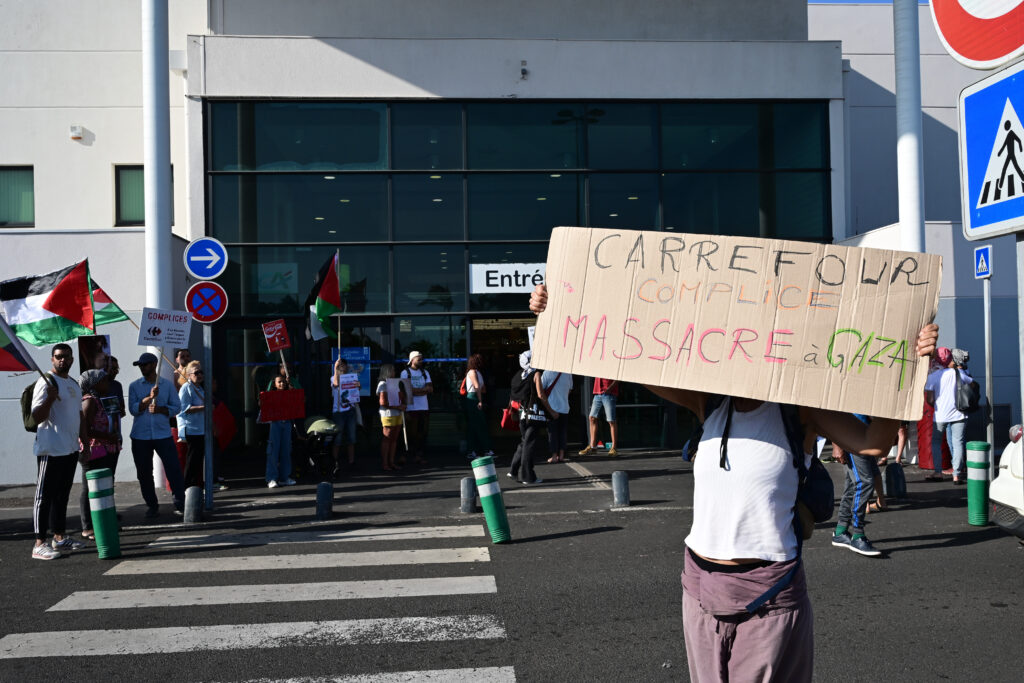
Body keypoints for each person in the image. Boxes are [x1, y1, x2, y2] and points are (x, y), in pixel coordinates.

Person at [529, 283, 939, 681]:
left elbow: (872, 443)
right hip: (700, 589)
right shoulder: (708, 401)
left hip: (770, 594)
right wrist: (558, 310)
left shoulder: (799, 409)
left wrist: (910, 366)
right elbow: (624, 356)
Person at [29, 343, 88, 559]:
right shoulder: (46, 382)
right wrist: (50, 398)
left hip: (70, 449)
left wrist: (85, 442)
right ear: (52, 359)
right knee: (43, 497)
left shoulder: (73, 383)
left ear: (72, 359)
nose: (62, 360)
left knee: (61, 497)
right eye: (58, 356)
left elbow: (79, 415)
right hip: (51, 450)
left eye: (66, 356)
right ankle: (39, 543)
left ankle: (60, 538)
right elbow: (37, 417)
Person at [129, 351, 186, 518]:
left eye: (144, 364)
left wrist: (161, 409)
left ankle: (180, 502)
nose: (141, 368)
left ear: (154, 365)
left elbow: (177, 407)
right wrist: (149, 398)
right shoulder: (134, 386)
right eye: (140, 365)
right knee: (144, 472)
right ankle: (152, 505)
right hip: (140, 436)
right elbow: (133, 409)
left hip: (162, 434)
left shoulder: (167, 385)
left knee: (173, 468)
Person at [831, 416, 884, 557]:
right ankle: (858, 535)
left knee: (852, 485)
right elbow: (833, 412)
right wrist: (836, 445)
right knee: (864, 483)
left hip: (864, 436)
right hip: (851, 437)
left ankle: (841, 532)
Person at [77, 369, 119, 541]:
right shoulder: (89, 402)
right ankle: (87, 526)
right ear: (94, 384)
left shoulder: (99, 400)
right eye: (103, 380)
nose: (107, 383)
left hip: (107, 449)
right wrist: (107, 436)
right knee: (90, 488)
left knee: (104, 486)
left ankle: (105, 521)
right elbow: (85, 430)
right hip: (93, 450)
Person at [924, 346, 972, 484]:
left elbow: (929, 398)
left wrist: (935, 405)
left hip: (940, 415)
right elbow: (971, 383)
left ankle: (938, 472)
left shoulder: (933, 376)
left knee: (936, 442)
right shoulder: (958, 373)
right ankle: (956, 475)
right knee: (958, 443)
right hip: (959, 414)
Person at [508, 350, 555, 485]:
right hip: (533, 415)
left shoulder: (519, 375)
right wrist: (551, 412)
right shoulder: (536, 374)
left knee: (524, 442)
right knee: (529, 445)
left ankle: (513, 470)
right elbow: (541, 395)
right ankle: (528, 476)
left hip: (521, 414)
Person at [177, 360, 208, 489]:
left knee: (198, 461)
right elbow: (184, 409)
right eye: (196, 372)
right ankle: (186, 487)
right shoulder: (186, 388)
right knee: (192, 461)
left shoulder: (200, 388)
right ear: (189, 375)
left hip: (201, 429)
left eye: (201, 372)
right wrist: (204, 407)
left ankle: (195, 488)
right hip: (192, 429)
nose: (200, 375)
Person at [400, 350, 432, 466]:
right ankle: (407, 455)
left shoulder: (425, 372)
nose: (421, 361)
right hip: (411, 407)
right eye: (419, 359)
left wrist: (416, 391)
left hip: (423, 407)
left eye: (421, 359)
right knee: (410, 433)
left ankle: (419, 455)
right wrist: (422, 391)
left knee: (422, 433)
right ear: (412, 360)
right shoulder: (405, 373)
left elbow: (430, 389)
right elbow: (407, 390)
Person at [264, 375, 297, 488]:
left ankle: (284, 477)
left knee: (286, 450)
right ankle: (271, 478)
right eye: (279, 382)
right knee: (273, 451)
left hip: (286, 423)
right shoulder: (271, 395)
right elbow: (265, 400)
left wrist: (292, 390)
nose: (282, 384)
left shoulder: (289, 394)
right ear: (274, 384)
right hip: (275, 423)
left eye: (283, 382)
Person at [330, 356, 360, 474]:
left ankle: (351, 462)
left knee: (352, 437)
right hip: (339, 412)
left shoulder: (351, 377)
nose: (342, 367)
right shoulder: (333, 377)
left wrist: (358, 386)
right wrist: (335, 369)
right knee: (337, 438)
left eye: (344, 365)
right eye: (340, 365)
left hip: (350, 410)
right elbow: (336, 384)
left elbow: (356, 393)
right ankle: (335, 462)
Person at [376, 363, 408, 471]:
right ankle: (385, 463)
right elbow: (383, 402)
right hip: (388, 414)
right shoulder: (382, 384)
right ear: (387, 372)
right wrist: (398, 406)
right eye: (392, 371)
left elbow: (401, 397)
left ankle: (391, 462)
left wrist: (402, 402)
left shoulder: (395, 383)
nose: (394, 373)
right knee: (387, 438)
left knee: (394, 439)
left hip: (397, 413)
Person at [463, 353, 494, 460]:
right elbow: (477, 387)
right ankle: (485, 449)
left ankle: (472, 450)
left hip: (474, 397)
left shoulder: (477, 372)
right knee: (480, 424)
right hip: (473, 398)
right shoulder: (473, 372)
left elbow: (481, 388)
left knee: (474, 425)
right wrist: (480, 401)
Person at [580, 377, 619, 456]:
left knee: (611, 421)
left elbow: (618, 378)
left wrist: (610, 388)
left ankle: (614, 447)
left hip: (609, 393)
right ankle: (592, 447)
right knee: (592, 418)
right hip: (598, 393)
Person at [543, 369, 572, 463]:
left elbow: (541, 389)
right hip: (564, 407)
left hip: (551, 408)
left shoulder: (547, 372)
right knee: (562, 432)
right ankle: (562, 455)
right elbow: (570, 389)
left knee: (552, 433)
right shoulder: (568, 373)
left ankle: (554, 456)